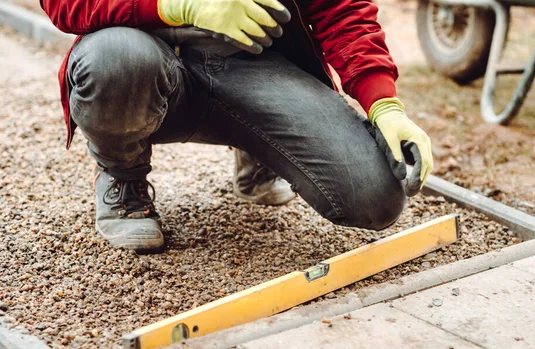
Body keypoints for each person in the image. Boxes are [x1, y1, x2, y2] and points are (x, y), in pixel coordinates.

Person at [41, 0, 433, 252]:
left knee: (373, 197)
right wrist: (179, 6)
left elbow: (341, 8)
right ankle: (122, 173)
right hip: (143, 57)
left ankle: (259, 150)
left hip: (254, 63)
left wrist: (384, 104)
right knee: (114, 61)